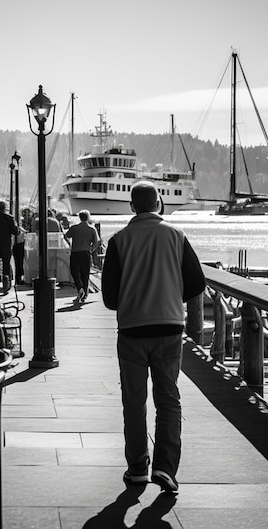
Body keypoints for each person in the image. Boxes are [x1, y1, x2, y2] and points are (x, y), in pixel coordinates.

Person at [101, 181, 206, 494]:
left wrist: (133, 300)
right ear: (159, 203)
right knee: (168, 399)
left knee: (134, 401)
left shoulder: (119, 240)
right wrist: (171, 296)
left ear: (132, 206)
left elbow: (109, 298)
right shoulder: (177, 236)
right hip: (169, 328)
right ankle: (165, 467)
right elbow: (197, 282)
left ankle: (137, 469)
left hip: (132, 329)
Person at [64, 210, 100, 304]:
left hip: (75, 252)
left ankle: (80, 288)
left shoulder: (74, 228)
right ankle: (84, 295)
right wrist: (91, 249)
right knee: (85, 274)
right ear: (88, 217)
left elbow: (65, 236)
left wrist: (70, 244)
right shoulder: (92, 229)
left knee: (75, 273)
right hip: (86, 253)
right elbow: (96, 242)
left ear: (79, 217)